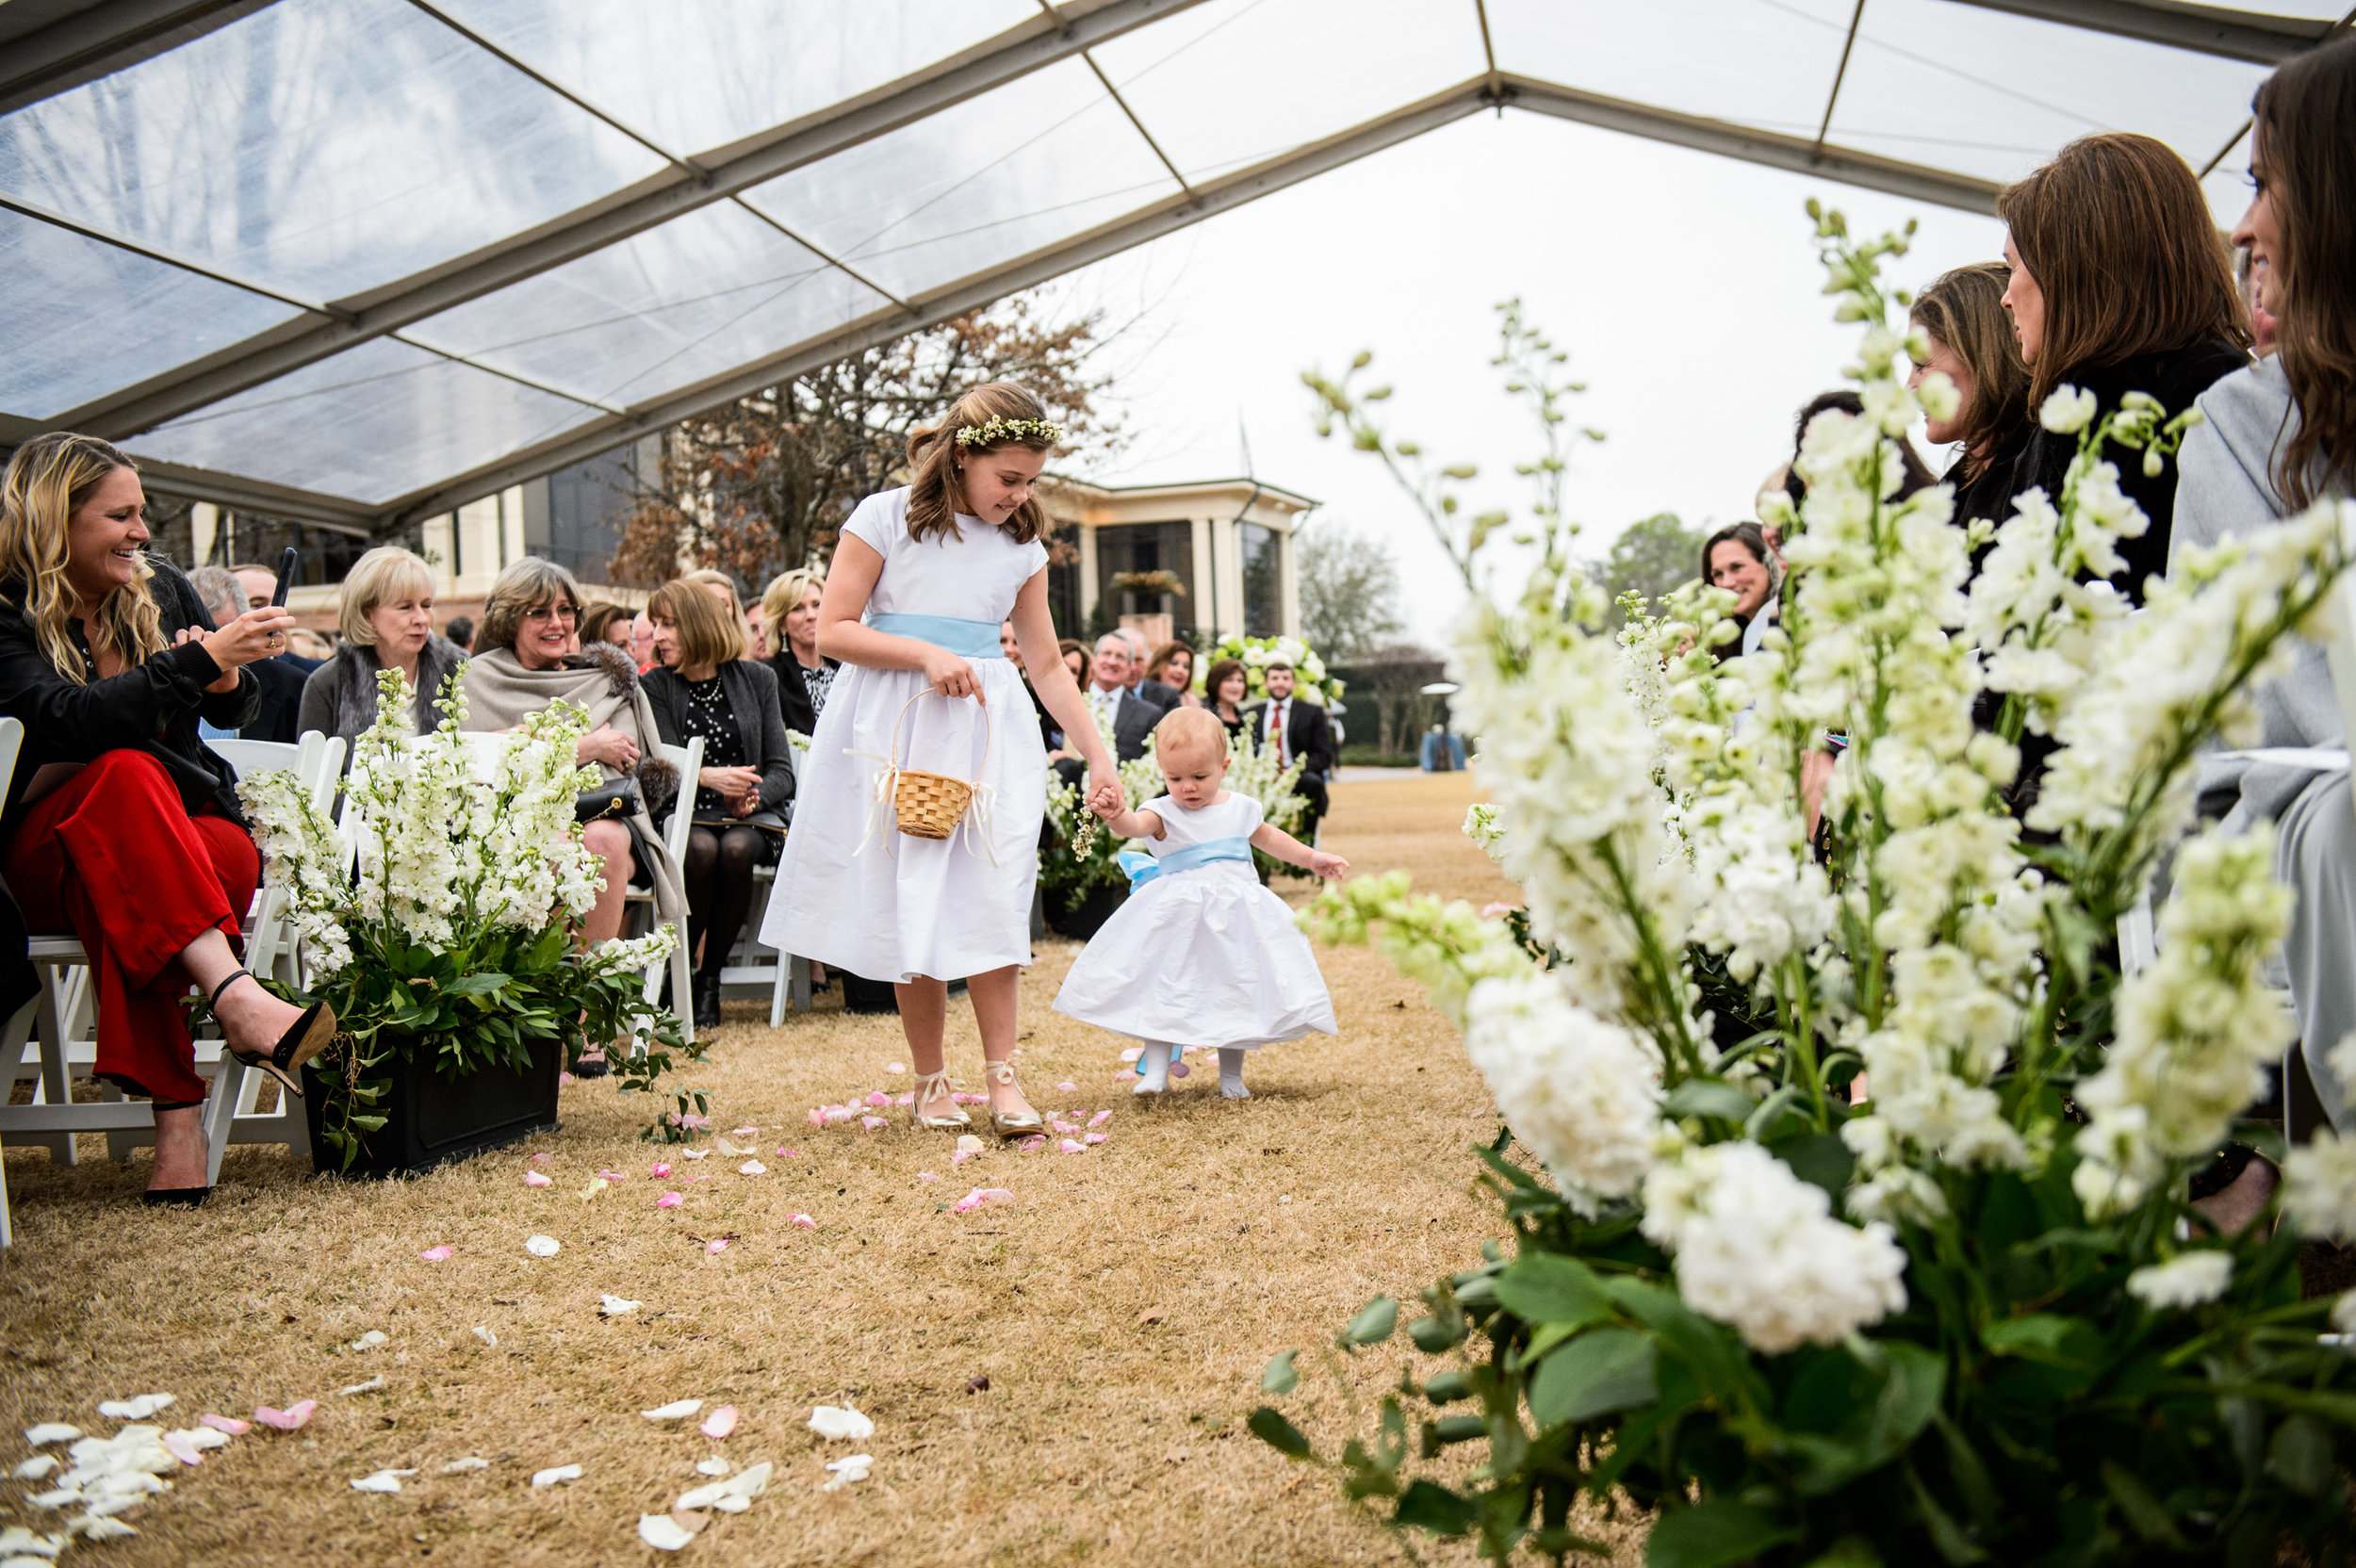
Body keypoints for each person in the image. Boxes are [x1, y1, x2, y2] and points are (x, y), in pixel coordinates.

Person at [757, 382, 1119, 1137]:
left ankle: (1004, 1078)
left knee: (990, 894)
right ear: (963, 456)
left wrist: (1101, 758)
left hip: (986, 728)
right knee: (910, 896)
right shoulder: (885, 519)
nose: (1019, 495)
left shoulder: (1022, 545)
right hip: (896, 723)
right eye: (1008, 479)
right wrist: (925, 653)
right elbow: (834, 632)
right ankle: (929, 1080)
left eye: (1031, 482)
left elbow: (1049, 668)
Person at [0, 434, 333, 1204]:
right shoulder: (7, 613)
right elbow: (63, 721)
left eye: (142, 514)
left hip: (189, 840)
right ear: (57, 519)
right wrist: (191, 662)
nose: (142, 533)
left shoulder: (163, 587)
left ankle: (182, 1110)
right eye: (120, 516)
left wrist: (221, 676)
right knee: (121, 778)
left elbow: (235, 704)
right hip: (44, 855)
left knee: (130, 877)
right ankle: (234, 1004)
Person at [2171, 34, 2356, 1163]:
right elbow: (2271, 739)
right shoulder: (2247, 425)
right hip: (2309, 819)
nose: (2240, 227)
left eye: (2261, 181)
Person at [2000, 132, 2253, 601]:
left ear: (2074, 265)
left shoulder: (2218, 401)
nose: (2006, 297)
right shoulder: (2059, 421)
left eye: (2014, 266)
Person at [461, 559, 685, 1073]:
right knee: (556, 837)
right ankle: (535, 1009)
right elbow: (477, 761)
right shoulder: (478, 678)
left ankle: (586, 1018)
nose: (557, 624)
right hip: (503, 826)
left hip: (605, 819)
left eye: (566, 610)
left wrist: (530, 745)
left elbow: (626, 760)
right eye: (539, 612)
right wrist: (579, 746)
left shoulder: (602, 681)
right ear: (509, 619)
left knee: (599, 840)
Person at [1054, 706, 1346, 1100]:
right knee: (1163, 986)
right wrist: (1117, 815)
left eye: (1199, 777)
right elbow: (1134, 828)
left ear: (1223, 767)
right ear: (1161, 770)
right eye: (1174, 777)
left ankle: (1231, 1076)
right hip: (1177, 916)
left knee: (1237, 987)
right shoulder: (1162, 811)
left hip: (1236, 916)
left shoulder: (1241, 808)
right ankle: (1155, 1072)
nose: (1187, 787)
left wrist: (1312, 859)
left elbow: (1272, 840)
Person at [642, 579, 794, 1032]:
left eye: (668, 624)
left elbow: (782, 770)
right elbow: (657, 768)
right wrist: (706, 776)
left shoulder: (758, 679)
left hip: (749, 818)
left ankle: (708, 979)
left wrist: (753, 796)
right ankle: (683, 971)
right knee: (702, 848)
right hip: (685, 813)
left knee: (737, 849)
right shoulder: (654, 685)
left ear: (699, 625)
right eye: (655, 625)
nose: (658, 636)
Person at [298, 546, 468, 763]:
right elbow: (311, 781)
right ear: (367, 614)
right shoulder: (328, 682)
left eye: (426, 605)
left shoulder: (458, 669)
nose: (421, 619)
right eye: (405, 607)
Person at [1908, 261, 2035, 531]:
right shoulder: (1951, 499)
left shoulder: (2044, 471)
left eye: (1921, 365)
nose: (1910, 386)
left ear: (1981, 356)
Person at [215, 559, 317, 743]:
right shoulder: (193, 677)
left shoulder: (311, 678)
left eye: (279, 603)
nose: (275, 615)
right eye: (257, 604)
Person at [1248, 661, 1335, 842]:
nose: (1280, 683)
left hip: (1298, 776)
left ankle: (1307, 841)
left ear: (1294, 684)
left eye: (1285, 678)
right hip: (1260, 778)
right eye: (1275, 678)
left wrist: (1291, 772)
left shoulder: (1312, 713)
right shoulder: (1252, 714)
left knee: (1314, 783)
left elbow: (1324, 754)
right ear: (1265, 683)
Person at [761, 566, 838, 736]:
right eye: (797, 608)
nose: (811, 615)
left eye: (816, 605)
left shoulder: (846, 670)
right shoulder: (769, 677)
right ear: (781, 623)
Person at [1086, 631, 1178, 762]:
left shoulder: (1150, 714)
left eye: (1120, 657)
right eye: (1106, 653)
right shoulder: (1070, 703)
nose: (1112, 662)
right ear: (1093, 660)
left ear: (1129, 667)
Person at [1698, 523, 1781, 660]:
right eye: (1718, 574)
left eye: (1736, 567)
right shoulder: (1723, 640)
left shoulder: (1785, 622)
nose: (1727, 583)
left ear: (1768, 564)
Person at [1203, 658, 1251, 738]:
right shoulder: (1204, 714)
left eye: (1240, 681)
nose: (1235, 686)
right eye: (1229, 680)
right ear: (1216, 682)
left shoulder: (1245, 718)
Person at [1143, 641, 1199, 707]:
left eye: (1186, 666)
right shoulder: (1142, 697)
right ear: (1158, 665)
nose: (1180, 670)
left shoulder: (1192, 704)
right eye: (1174, 663)